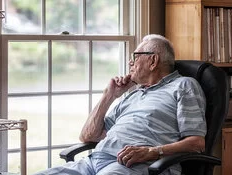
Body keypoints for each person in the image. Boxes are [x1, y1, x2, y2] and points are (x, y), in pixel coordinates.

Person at [35, 34, 206, 175]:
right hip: (92, 162)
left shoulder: (184, 85)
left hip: (134, 166)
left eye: (135, 57)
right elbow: (88, 136)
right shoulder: (133, 94)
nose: (130, 63)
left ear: (152, 61)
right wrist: (109, 95)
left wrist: (151, 152)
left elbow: (196, 143)